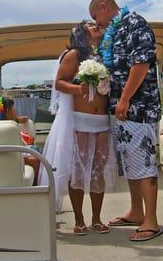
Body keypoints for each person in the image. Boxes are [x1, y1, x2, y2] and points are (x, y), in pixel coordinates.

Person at [89, 0, 162, 242]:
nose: (97, 24)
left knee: (144, 161)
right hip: (120, 110)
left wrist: (124, 99)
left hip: (138, 108)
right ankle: (136, 211)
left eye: (96, 18)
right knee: (129, 163)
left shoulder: (134, 23)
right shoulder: (115, 31)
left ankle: (151, 220)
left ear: (103, 6)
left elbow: (141, 64)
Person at [41, 20, 116, 235]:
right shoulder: (74, 54)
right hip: (79, 119)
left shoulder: (106, 54)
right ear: (82, 33)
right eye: (91, 25)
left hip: (101, 120)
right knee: (78, 169)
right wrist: (78, 88)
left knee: (97, 170)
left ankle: (97, 218)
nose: (97, 26)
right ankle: (79, 219)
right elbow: (59, 82)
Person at [0, 95, 41, 185]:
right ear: (6, 111)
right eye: (12, 108)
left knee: (34, 151)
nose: (15, 110)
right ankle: (36, 189)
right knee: (34, 159)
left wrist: (16, 120)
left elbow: (24, 119)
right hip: (5, 158)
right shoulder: (8, 128)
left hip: (1, 157)